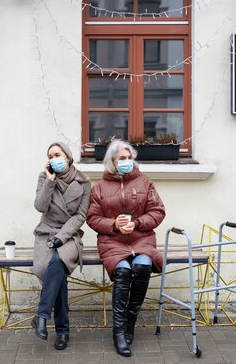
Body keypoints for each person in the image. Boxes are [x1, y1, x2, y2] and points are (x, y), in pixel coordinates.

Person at [87, 139, 166, 357]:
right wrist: (113, 224)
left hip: (141, 238)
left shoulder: (145, 182)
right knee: (123, 271)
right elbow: (92, 218)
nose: (127, 162)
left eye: (130, 158)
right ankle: (119, 331)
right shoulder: (99, 188)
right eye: (122, 158)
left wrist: (137, 223)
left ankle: (130, 322)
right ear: (112, 161)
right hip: (112, 241)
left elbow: (157, 211)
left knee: (142, 267)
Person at [31, 142, 91, 350]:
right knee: (57, 273)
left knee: (57, 262)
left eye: (57, 154)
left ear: (67, 157)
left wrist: (63, 236)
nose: (53, 158)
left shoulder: (83, 182)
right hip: (46, 231)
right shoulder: (44, 177)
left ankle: (42, 315)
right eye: (50, 155)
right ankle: (62, 330)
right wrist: (49, 182)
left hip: (70, 235)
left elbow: (80, 215)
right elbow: (40, 206)